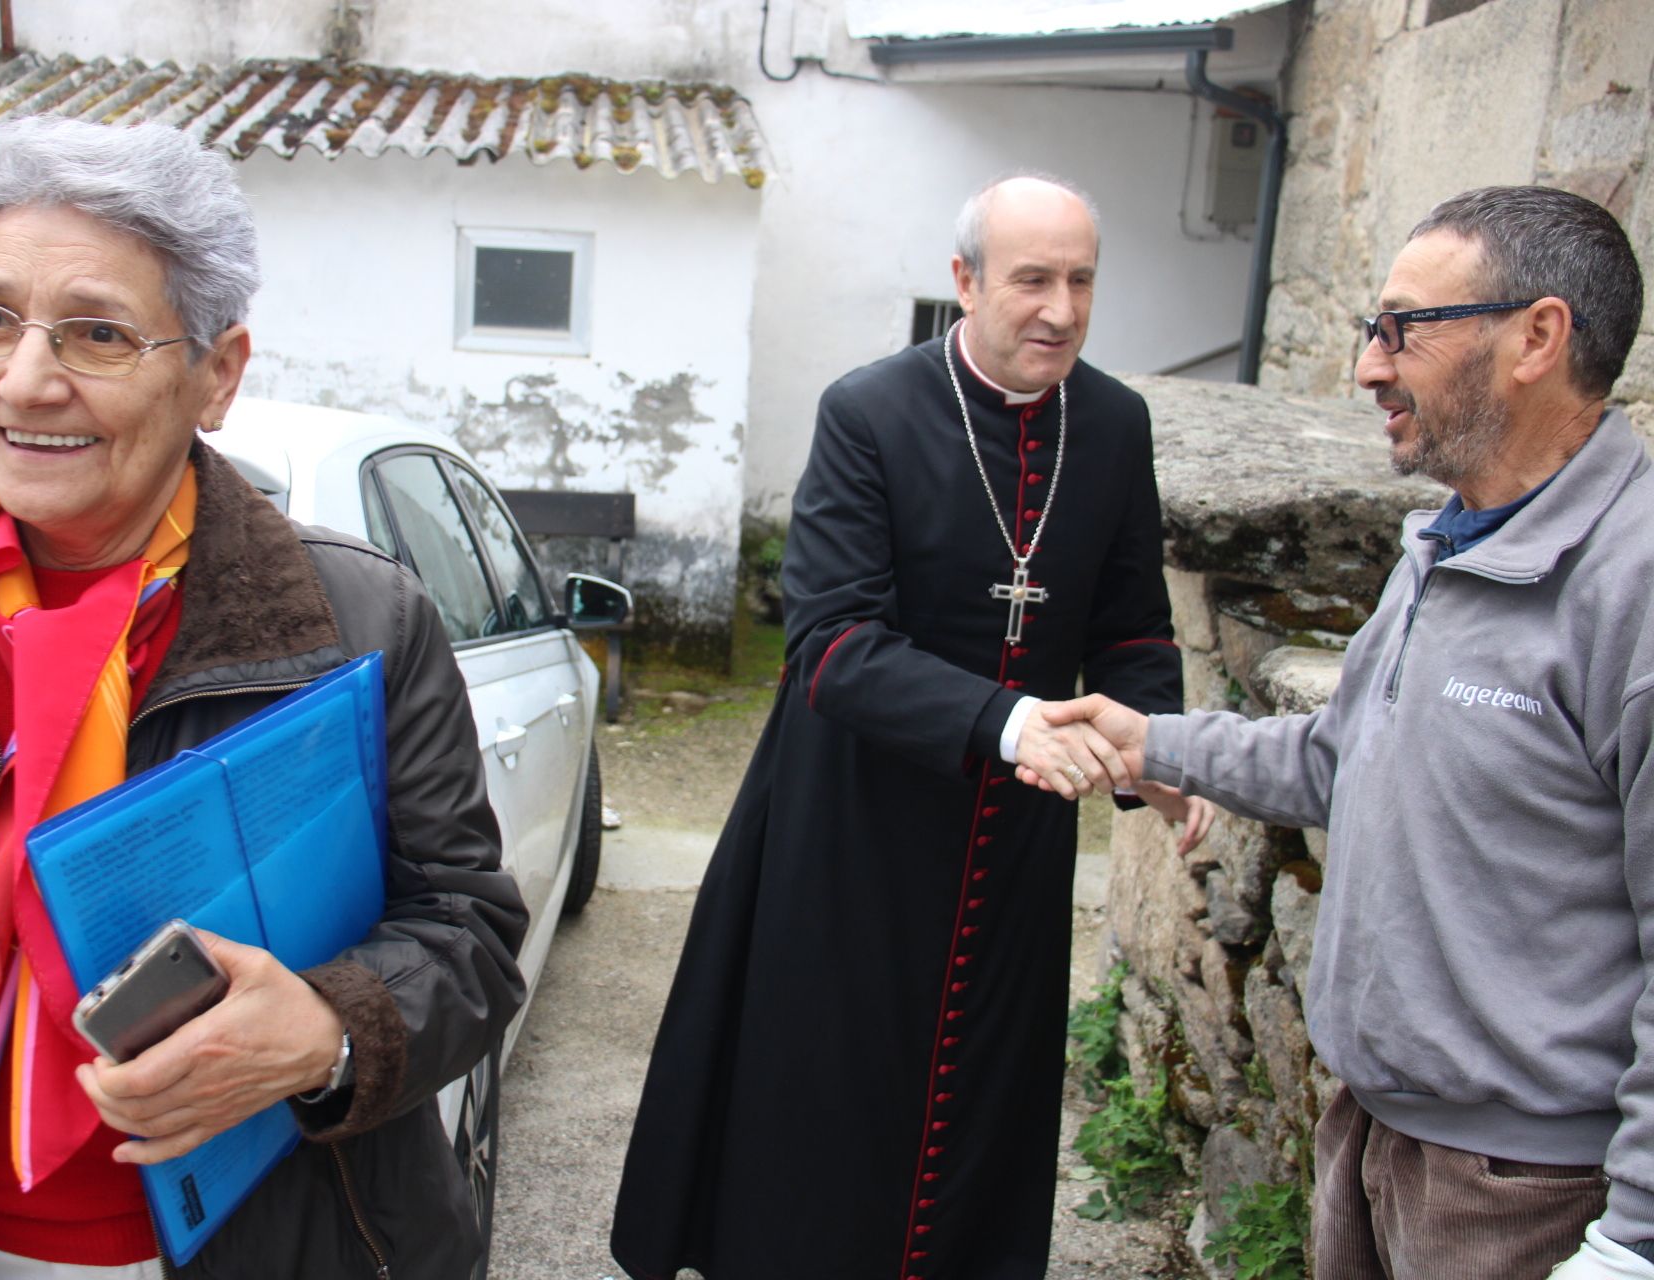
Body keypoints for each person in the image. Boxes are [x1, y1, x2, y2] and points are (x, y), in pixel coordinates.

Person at [0, 116, 526, 1280]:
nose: (25, 379)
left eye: (98, 332)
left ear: (218, 373)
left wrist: (326, 1028)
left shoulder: (358, 622)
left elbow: (469, 933)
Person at [1028, 185, 1653, 1280]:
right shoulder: (1448, 545)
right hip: (1369, 1135)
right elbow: (1340, 754)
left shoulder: (1631, 587)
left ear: (1537, 338)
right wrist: (1152, 742)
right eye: (1374, 327)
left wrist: (1630, 1242)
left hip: (1524, 1193)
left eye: (1405, 327)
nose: (1369, 365)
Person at [609, 174, 1212, 1280]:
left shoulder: (1114, 423)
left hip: (1012, 844)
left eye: (1082, 282)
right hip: (852, 829)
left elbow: (1130, 626)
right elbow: (832, 642)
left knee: (982, 1100)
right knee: (828, 1104)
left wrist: (1156, 750)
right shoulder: (871, 411)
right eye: (1033, 280)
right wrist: (1010, 721)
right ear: (965, 281)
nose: (1062, 311)